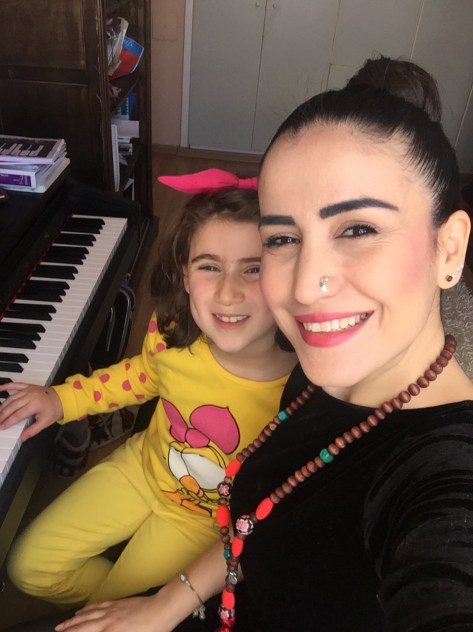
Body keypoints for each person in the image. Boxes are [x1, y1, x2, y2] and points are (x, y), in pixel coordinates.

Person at [5, 55, 473, 632]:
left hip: (192, 539)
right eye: (283, 238)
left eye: (358, 228)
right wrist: (164, 604)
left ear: (450, 248)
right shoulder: (317, 372)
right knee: (30, 569)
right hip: (166, 523)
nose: (305, 285)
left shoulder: (441, 473)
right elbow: (145, 381)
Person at [0, 171, 297, 606]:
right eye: (210, 266)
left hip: (204, 522)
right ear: (186, 276)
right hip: (141, 469)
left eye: (253, 269)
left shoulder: (303, 386)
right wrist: (61, 398)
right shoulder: (172, 331)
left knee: (119, 614)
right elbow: (141, 375)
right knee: (27, 568)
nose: (229, 294)